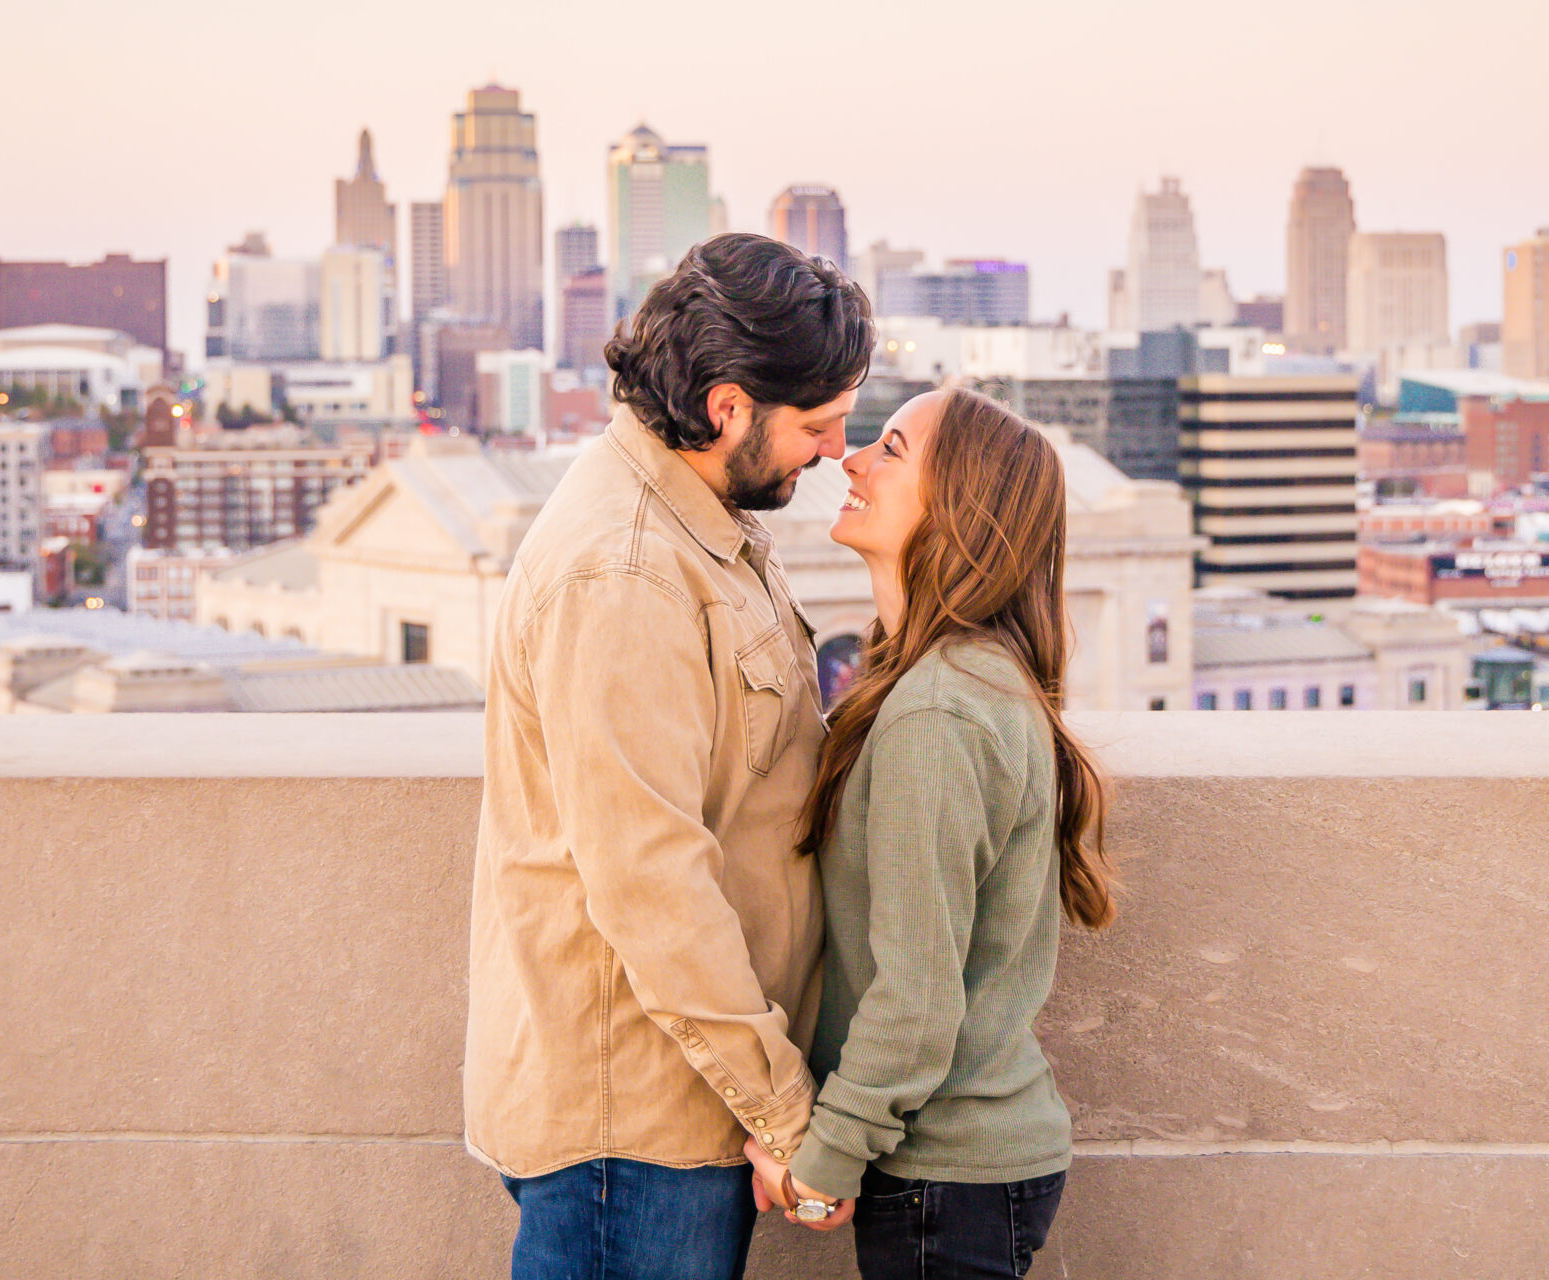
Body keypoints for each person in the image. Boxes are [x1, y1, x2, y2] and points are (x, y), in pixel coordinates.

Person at [463, 232, 874, 1280]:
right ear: (729, 405)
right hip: (632, 1133)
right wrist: (786, 1113)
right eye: (818, 425)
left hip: (672, 1114)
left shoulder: (696, 523)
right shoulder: (627, 574)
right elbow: (650, 882)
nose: (833, 451)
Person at [747, 388, 1118, 1279]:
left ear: (958, 504)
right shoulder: (950, 681)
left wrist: (823, 1163)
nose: (851, 459)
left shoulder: (938, 712)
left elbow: (915, 998)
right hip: (966, 1172)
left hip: (946, 1175)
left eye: (892, 449)